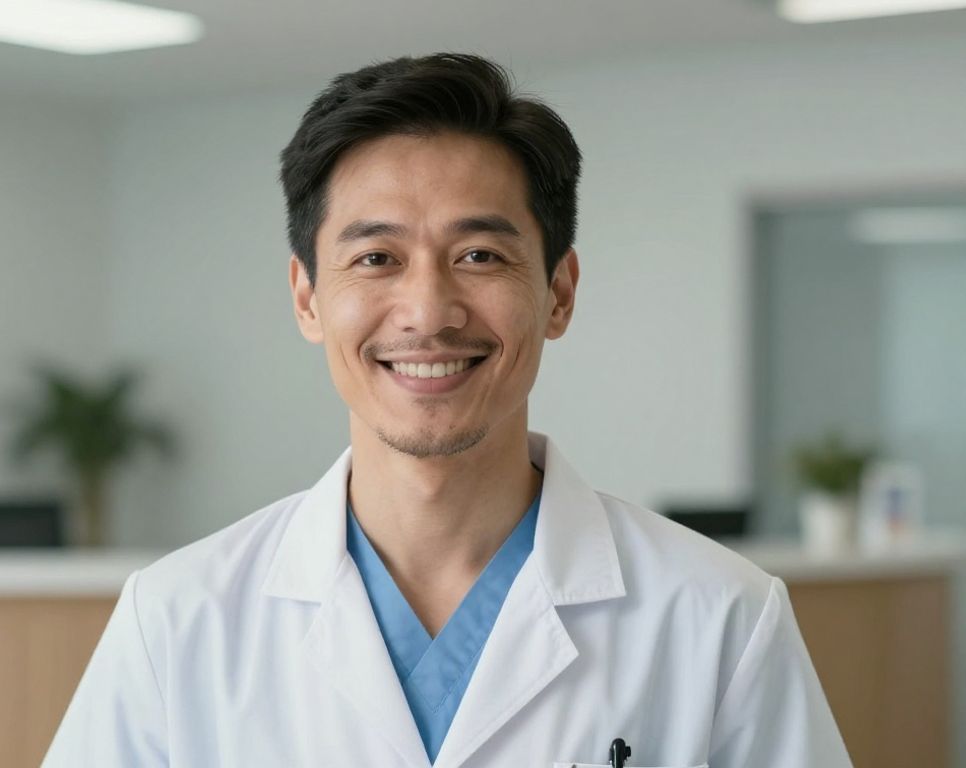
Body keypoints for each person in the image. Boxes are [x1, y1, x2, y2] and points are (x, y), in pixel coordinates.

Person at [43, 52, 851, 767]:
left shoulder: (719, 616)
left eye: (479, 255)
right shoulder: (178, 621)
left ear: (559, 293)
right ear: (307, 298)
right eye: (376, 258)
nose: (428, 311)